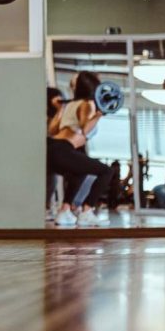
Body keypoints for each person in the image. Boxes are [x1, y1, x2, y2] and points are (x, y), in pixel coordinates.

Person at [46, 71, 114, 227]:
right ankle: (87, 211)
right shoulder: (87, 104)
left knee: (80, 172)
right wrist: (99, 114)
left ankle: (64, 211)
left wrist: (59, 109)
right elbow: (85, 129)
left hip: (52, 148)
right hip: (64, 149)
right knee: (107, 171)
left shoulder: (69, 105)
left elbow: (52, 131)